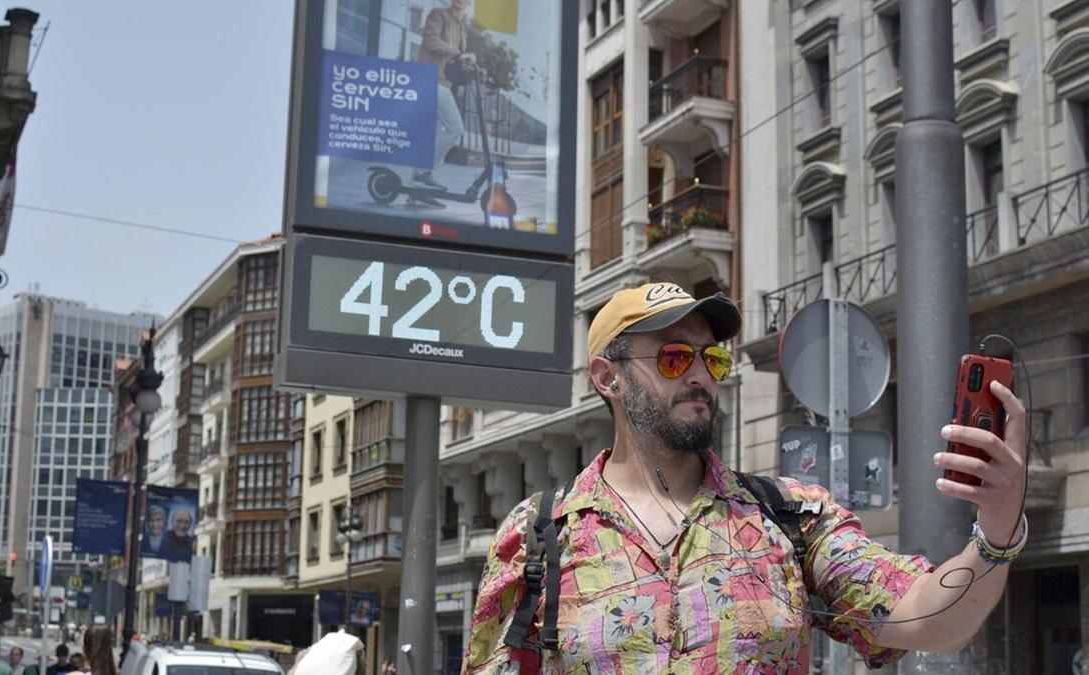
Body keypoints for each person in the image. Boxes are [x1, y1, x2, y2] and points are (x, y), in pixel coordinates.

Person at [462, 283, 1029, 673]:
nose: (700, 376)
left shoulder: (790, 518)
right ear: (608, 378)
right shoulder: (539, 537)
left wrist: (998, 529)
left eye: (712, 360)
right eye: (674, 358)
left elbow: (931, 618)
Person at [414, 0, 474, 191]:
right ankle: (423, 170)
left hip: (445, 83)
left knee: (435, 133)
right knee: (456, 128)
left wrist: (471, 65)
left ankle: (420, 189)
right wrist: (458, 52)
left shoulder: (461, 27)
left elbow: (456, 60)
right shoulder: (438, 14)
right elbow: (429, 40)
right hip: (431, 79)